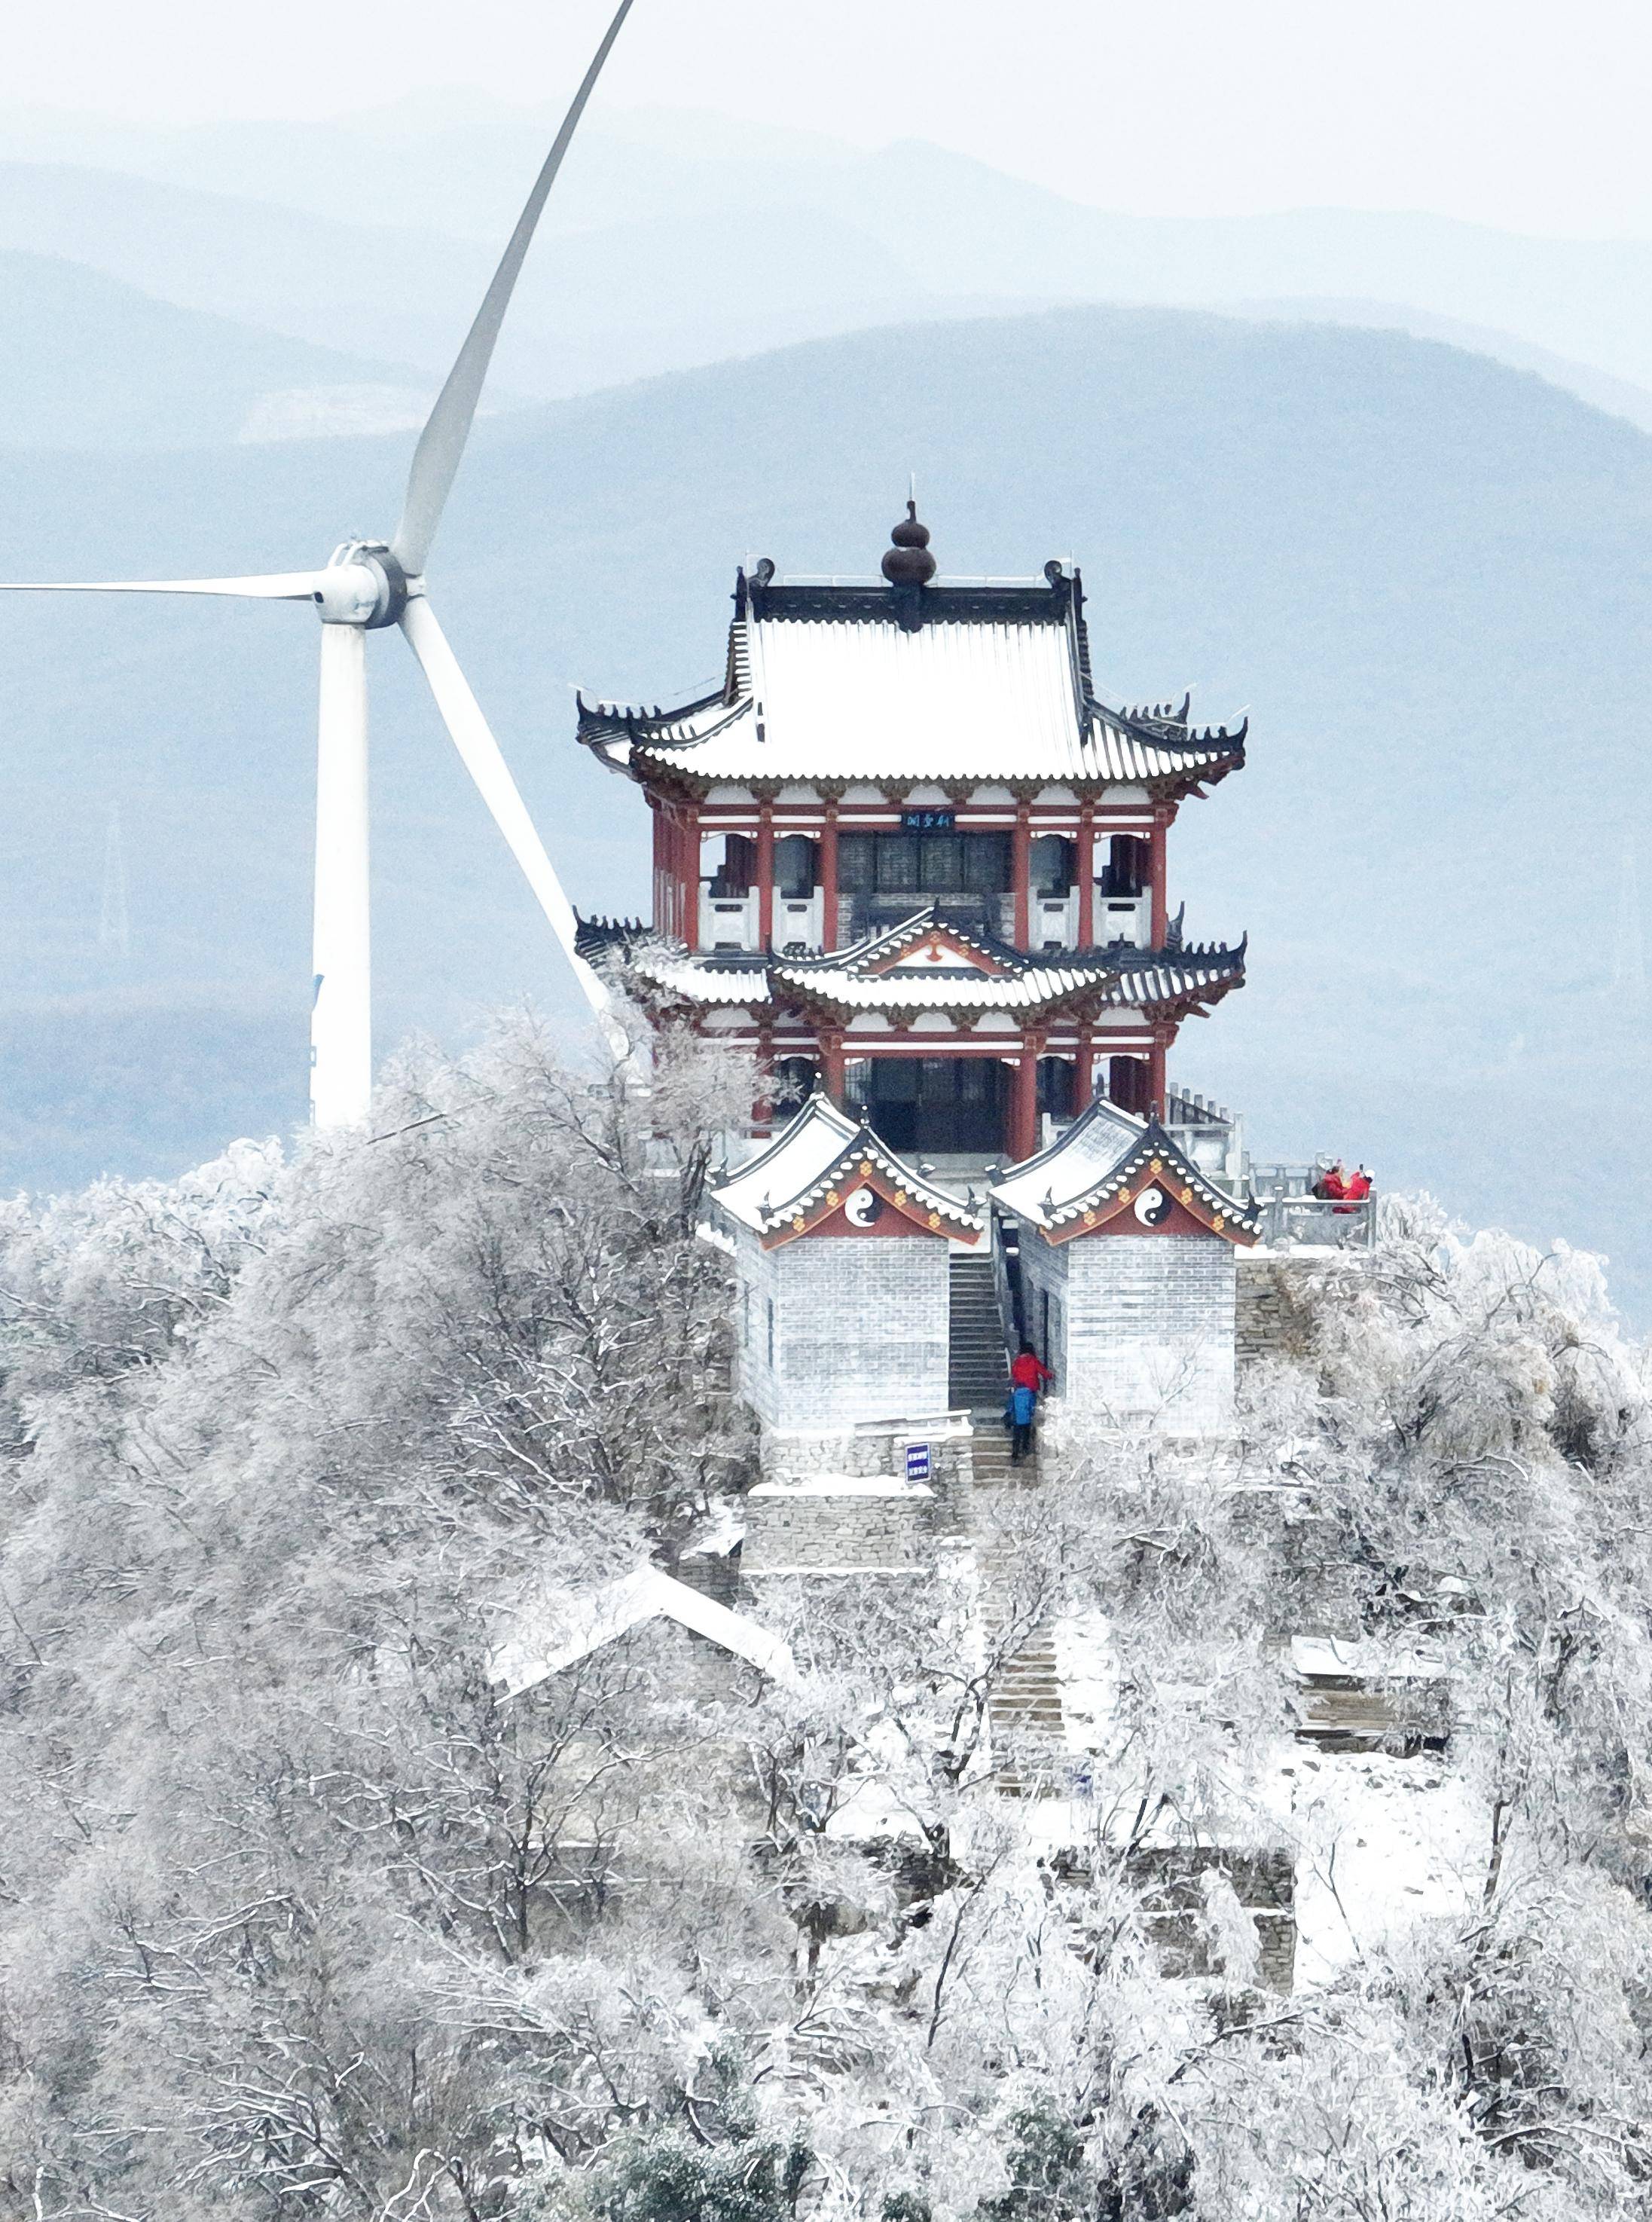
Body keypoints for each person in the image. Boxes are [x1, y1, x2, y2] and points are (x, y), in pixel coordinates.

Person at [1006, 1342, 1052, 1465]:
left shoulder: (1017, 1362)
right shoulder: (1033, 1361)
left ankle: (1016, 1452)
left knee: (1019, 1419)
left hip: (1019, 1392)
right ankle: (1026, 1447)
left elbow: (1014, 1375)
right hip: (1030, 1391)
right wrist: (1051, 1376)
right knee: (1028, 1416)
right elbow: (1044, 1373)